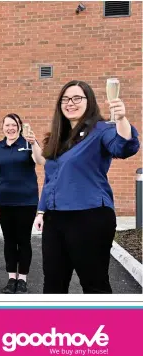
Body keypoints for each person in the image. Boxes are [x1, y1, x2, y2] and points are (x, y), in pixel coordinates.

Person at [34, 80, 140, 294]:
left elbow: (124, 146)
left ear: (88, 101)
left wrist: (121, 119)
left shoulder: (102, 130)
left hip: (89, 216)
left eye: (76, 98)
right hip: (55, 219)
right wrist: (41, 210)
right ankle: (55, 327)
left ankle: (103, 327)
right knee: (53, 285)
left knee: (94, 285)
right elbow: (51, 178)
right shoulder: (58, 138)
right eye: (65, 99)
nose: (70, 103)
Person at [0, 113, 45, 294]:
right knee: (9, 241)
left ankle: (23, 280)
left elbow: (41, 161)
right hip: (4, 202)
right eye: (7, 125)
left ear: (19, 127)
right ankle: (12, 278)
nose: (10, 128)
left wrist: (34, 142)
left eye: (14, 125)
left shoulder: (28, 144)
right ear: (3, 127)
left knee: (24, 240)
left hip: (26, 202)